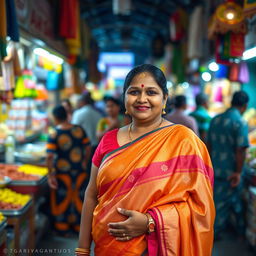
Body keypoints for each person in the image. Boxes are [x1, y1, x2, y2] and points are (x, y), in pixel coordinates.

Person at [77, 64, 215, 256]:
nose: (142, 99)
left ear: (164, 99)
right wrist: (83, 249)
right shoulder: (107, 140)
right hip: (107, 246)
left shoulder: (184, 141)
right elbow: (91, 194)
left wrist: (151, 222)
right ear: (124, 98)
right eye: (134, 92)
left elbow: (200, 208)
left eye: (151, 92)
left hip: (155, 248)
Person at [207, 90, 249, 239]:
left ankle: (237, 230)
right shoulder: (240, 122)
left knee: (218, 201)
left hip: (215, 168)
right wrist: (238, 172)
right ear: (244, 106)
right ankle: (212, 235)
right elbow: (241, 150)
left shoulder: (216, 119)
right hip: (231, 172)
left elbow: (208, 145)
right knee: (223, 205)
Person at [46, 105, 91, 234]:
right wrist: (84, 162)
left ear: (55, 117)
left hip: (62, 173)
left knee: (62, 198)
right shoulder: (79, 130)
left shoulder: (54, 133)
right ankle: (78, 227)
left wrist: (50, 175)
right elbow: (88, 147)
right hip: (80, 171)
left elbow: (49, 156)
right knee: (79, 198)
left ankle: (62, 228)